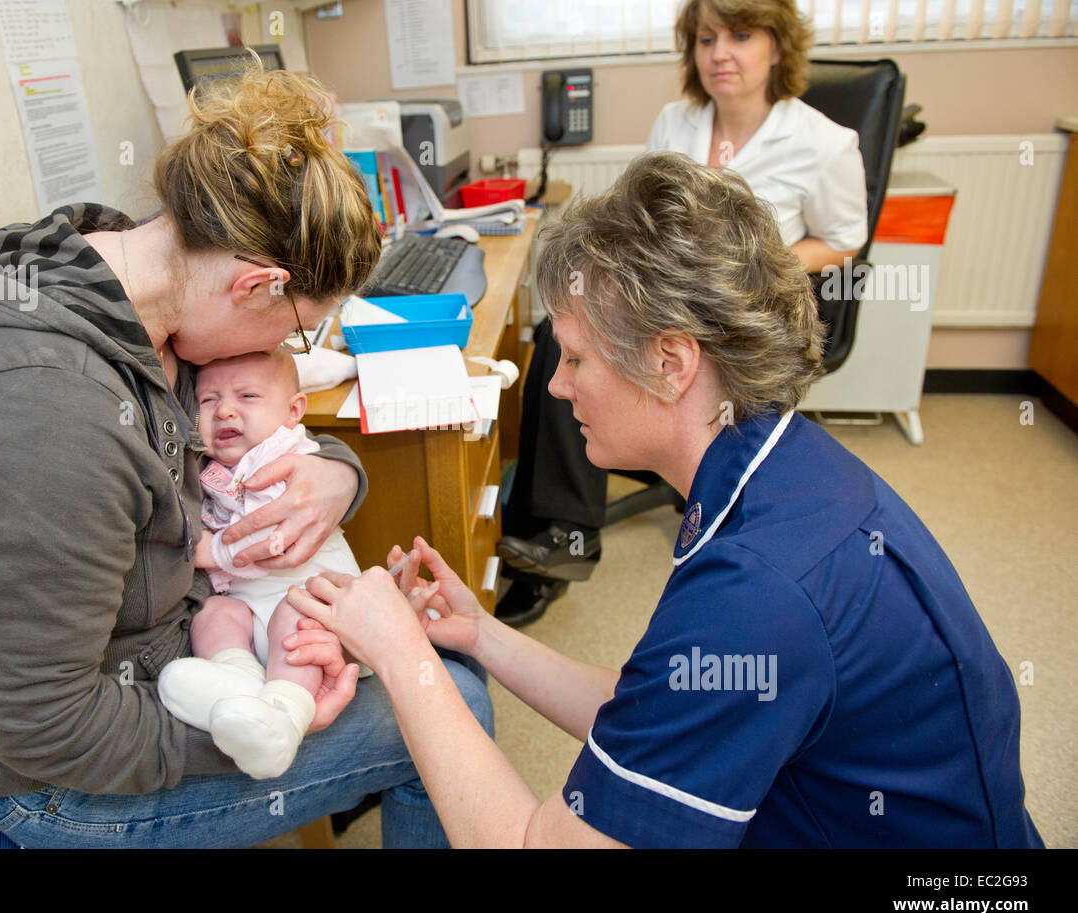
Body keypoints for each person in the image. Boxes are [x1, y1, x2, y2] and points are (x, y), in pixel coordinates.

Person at [287, 151, 1043, 848]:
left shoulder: (758, 590)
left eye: (576, 356)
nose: (555, 383)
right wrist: (480, 635)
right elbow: (658, 708)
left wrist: (401, 652)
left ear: (672, 361)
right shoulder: (777, 467)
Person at [0, 64, 493, 848]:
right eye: (295, 331)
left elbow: (242, 426)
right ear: (254, 286)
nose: (282, 353)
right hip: (53, 773)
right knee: (450, 706)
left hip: (178, 636)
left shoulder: (132, 277)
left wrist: (337, 476)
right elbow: (35, 721)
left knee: (412, 656)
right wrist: (263, 722)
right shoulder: (52, 421)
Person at [497, 0, 868, 625]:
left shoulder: (825, 142)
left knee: (613, 353)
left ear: (778, 45)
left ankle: (566, 523)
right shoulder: (676, 124)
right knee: (565, 335)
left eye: (741, 35)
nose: (721, 53)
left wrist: (756, 262)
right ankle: (558, 535)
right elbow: (643, 219)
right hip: (667, 294)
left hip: (740, 309)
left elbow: (842, 242)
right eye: (706, 39)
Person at [158, 348, 376, 780]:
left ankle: (284, 713)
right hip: (252, 611)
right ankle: (236, 678)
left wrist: (213, 552)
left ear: (293, 411)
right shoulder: (214, 466)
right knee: (216, 613)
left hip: (318, 621)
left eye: (247, 397)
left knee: (298, 612)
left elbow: (272, 538)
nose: (225, 411)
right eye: (208, 400)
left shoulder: (285, 456)